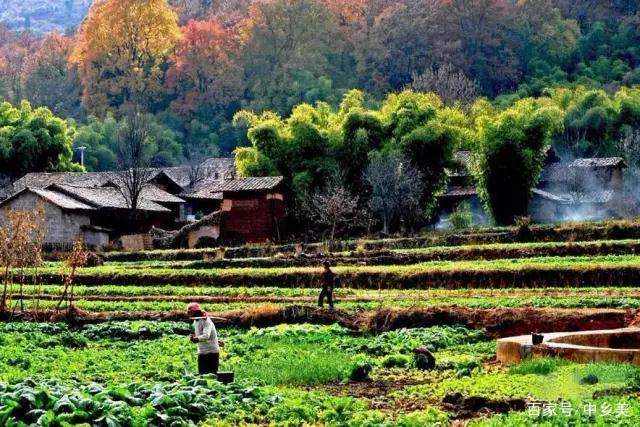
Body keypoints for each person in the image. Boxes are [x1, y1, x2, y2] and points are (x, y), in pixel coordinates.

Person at [187, 302, 222, 375]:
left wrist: (196, 339)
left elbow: (206, 336)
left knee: (211, 376)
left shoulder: (206, 321)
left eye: (191, 313)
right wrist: (194, 336)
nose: (189, 315)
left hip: (211, 352)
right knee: (202, 374)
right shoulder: (196, 321)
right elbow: (197, 332)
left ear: (197, 312)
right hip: (202, 351)